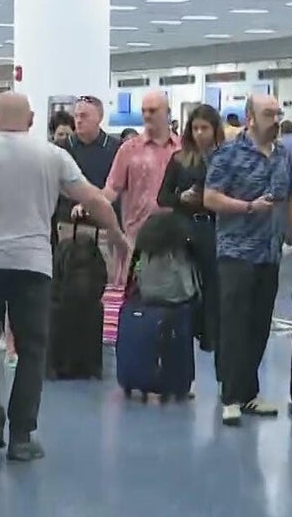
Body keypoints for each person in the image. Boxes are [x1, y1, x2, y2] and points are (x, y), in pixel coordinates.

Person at [0, 92, 127, 462]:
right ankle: (21, 435)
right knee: (33, 348)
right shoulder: (52, 155)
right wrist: (117, 235)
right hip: (33, 266)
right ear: (32, 118)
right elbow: (94, 199)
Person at [204, 94, 292, 427]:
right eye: (268, 113)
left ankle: (249, 392)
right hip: (235, 252)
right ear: (251, 118)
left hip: (269, 253)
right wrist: (248, 207)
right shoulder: (228, 153)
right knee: (234, 325)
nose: (276, 118)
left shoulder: (283, 156)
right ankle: (230, 395)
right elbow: (211, 197)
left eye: (278, 113)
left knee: (258, 326)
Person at [157, 104, 224, 369]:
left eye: (204, 128)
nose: (199, 133)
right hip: (184, 229)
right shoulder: (179, 159)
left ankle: (212, 342)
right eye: (195, 128)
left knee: (214, 290)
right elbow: (162, 197)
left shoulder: (224, 158)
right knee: (182, 290)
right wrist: (180, 198)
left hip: (214, 230)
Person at [103, 90, 180, 277]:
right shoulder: (129, 150)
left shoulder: (182, 149)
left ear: (167, 112)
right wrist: (91, 202)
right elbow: (112, 188)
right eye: (144, 110)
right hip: (135, 240)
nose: (147, 115)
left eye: (153, 110)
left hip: (175, 241)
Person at [58, 96, 121, 247]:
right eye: (76, 116)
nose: (79, 120)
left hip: (105, 226)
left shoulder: (116, 149)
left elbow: (117, 187)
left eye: (84, 116)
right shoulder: (61, 149)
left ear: (99, 118)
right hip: (69, 225)